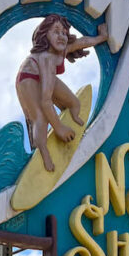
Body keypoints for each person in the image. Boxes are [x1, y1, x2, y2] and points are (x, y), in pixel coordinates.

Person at [16, 13, 108, 171]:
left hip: (42, 76)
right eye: (56, 31)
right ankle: (42, 153)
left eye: (64, 33)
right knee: (40, 117)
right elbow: (46, 100)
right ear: (44, 36)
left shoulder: (61, 50)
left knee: (74, 103)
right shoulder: (46, 58)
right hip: (28, 80)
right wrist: (59, 128)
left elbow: (82, 42)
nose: (61, 36)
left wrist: (101, 37)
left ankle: (71, 121)